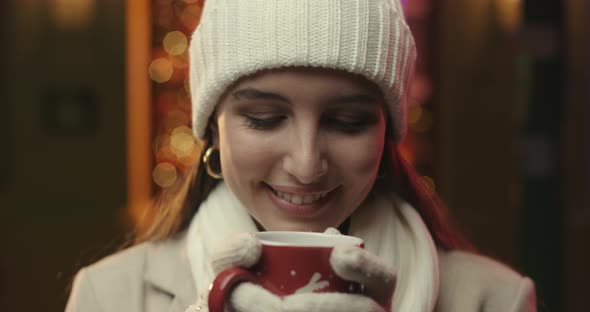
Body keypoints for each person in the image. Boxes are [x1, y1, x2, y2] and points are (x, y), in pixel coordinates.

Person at [66, 0, 537, 311]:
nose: (307, 164)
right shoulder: (109, 296)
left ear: (387, 134)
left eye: (347, 122)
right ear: (212, 125)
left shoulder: (495, 300)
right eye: (266, 119)